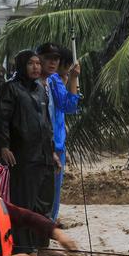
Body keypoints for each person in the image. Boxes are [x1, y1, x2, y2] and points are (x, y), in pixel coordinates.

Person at [0, 50, 56, 252]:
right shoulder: (10, 88)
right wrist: (4, 146)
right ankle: (23, 247)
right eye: (31, 63)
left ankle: (40, 244)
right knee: (24, 204)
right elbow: (2, 119)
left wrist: (52, 152)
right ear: (21, 66)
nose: (36, 67)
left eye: (38, 63)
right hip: (23, 155)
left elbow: (46, 123)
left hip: (44, 156)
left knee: (44, 203)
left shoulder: (40, 89)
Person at [36, 42, 82, 221]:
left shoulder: (52, 81)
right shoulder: (53, 80)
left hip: (56, 145)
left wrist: (71, 79)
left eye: (56, 59)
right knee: (48, 192)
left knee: (51, 192)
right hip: (50, 145)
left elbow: (67, 107)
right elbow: (69, 105)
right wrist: (73, 79)